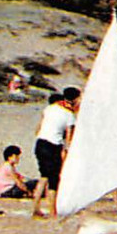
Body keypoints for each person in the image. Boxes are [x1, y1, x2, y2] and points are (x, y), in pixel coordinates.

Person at [31, 87, 79, 218]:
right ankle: (52, 212)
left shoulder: (50, 108)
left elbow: (38, 129)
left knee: (43, 177)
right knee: (53, 180)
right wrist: (66, 153)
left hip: (40, 143)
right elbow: (69, 139)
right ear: (75, 99)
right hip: (53, 146)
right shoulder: (69, 115)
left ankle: (36, 208)